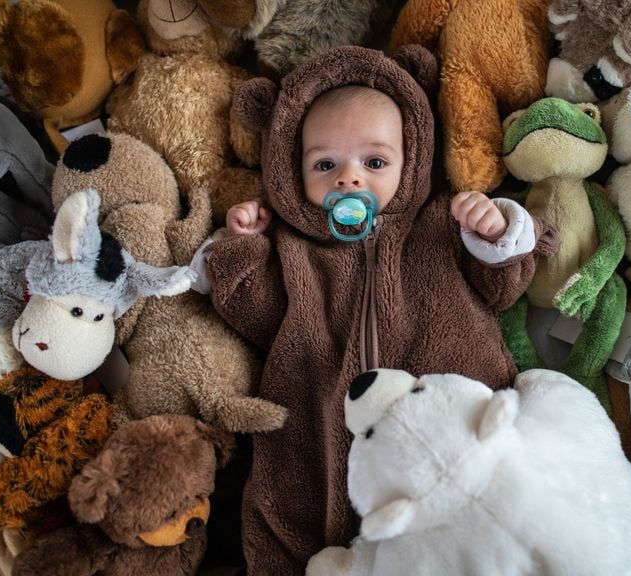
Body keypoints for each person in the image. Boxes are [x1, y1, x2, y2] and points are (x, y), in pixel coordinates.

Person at [197, 45, 559, 575]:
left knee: (486, 528)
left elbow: (501, 286)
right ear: (290, 170)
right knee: (289, 527)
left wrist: (494, 231)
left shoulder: (440, 224)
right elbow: (253, 310)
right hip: (319, 450)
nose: (349, 179)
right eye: (325, 164)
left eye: (374, 162)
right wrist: (244, 245)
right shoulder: (295, 250)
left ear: (410, 159)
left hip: (448, 435)